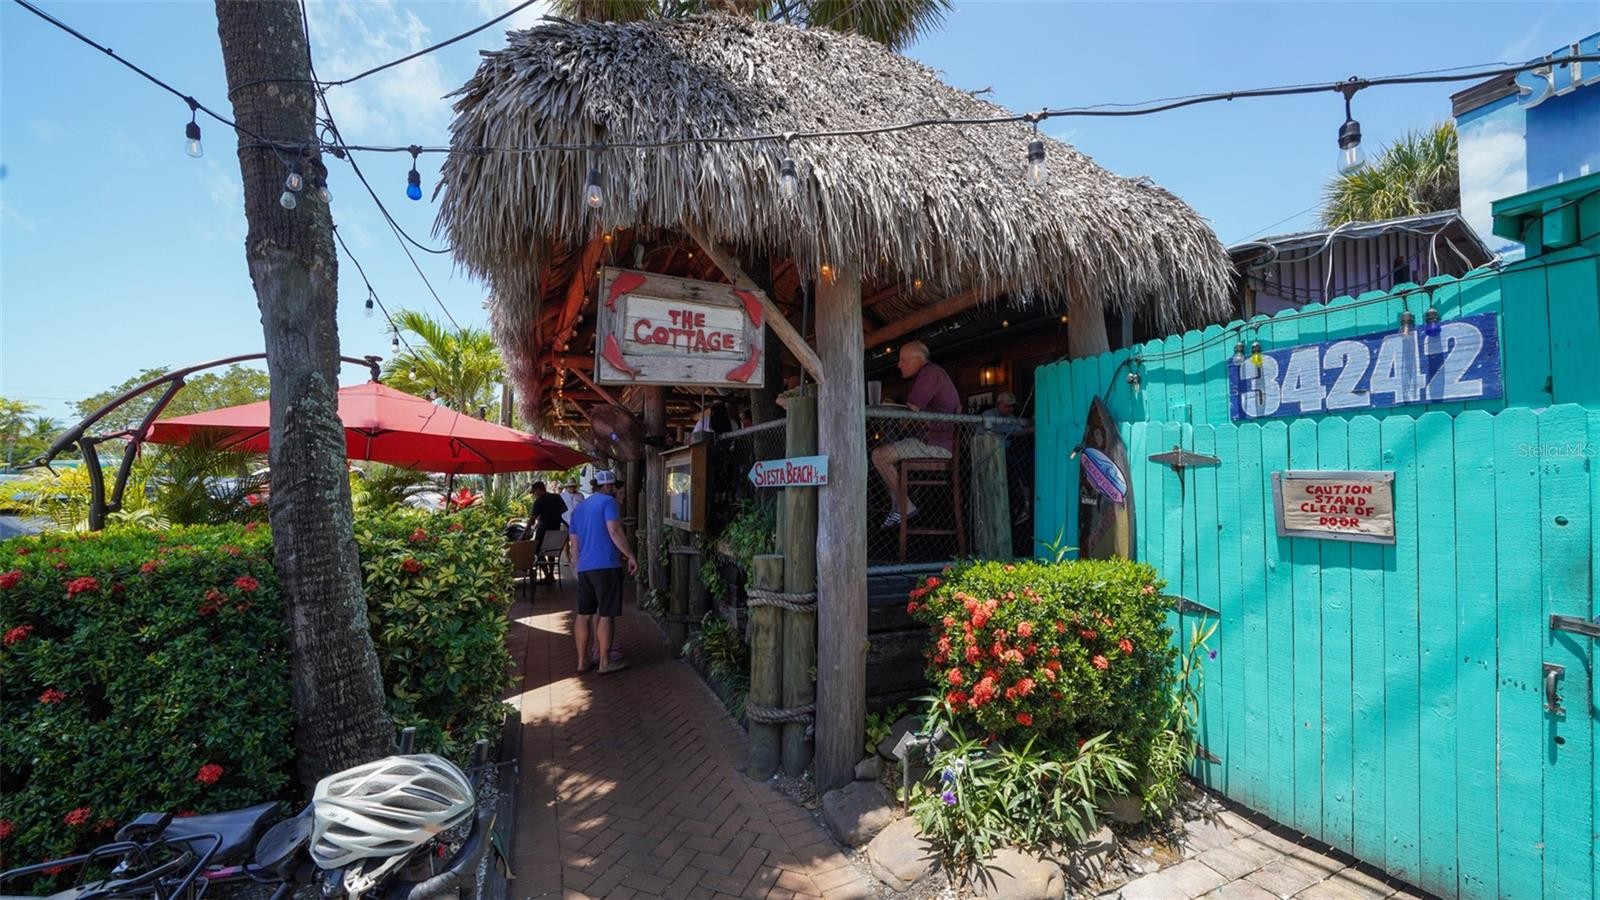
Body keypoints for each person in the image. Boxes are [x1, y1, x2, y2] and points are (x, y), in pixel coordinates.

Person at [870, 340, 958, 528]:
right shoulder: (933, 373)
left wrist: (896, 413)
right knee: (886, 452)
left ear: (918, 360)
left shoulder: (929, 373)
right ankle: (897, 507)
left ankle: (905, 506)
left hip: (935, 445)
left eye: (903, 360)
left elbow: (912, 409)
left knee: (879, 455)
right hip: (933, 441)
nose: (899, 365)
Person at [568, 470, 638, 674]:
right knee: (606, 614)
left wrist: (577, 567)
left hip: (585, 568)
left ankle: (582, 661)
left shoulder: (579, 509)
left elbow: (574, 543)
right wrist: (630, 555)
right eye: (614, 486)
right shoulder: (609, 503)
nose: (616, 490)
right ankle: (605, 662)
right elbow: (614, 531)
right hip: (606, 566)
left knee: (584, 614)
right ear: (608, 487)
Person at [526, 481, 568, 571]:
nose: (534, 495)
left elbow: (532, 519)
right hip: (555, 528)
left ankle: (547, 574)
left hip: (543, 529)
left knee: (537, 550)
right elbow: (564, 509)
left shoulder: (539, 501)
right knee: (551, 552)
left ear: (539, 490)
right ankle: (551, 573)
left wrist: (524, 533)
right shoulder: (556, 497)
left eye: (534, 493)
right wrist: (555, 514)